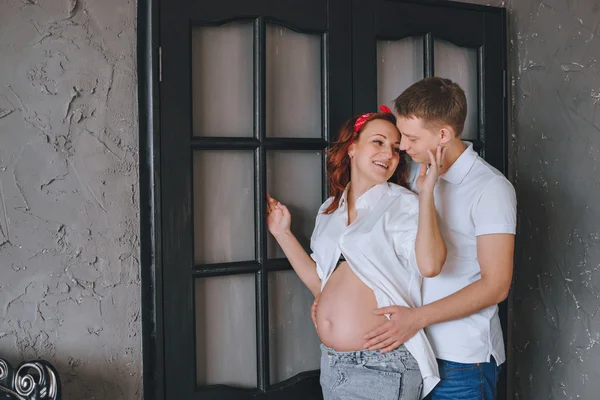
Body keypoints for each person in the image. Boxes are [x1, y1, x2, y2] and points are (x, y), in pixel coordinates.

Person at [267, 107, 446, 400]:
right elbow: (321, 284)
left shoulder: (403, 205)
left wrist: (426, 196)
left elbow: (430, 265)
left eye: (395, 148)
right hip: (333, 364)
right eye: (378, 142)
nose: (388, 154)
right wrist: (282, 234)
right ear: (352, 147)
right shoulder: (329, 210)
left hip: (381, 365)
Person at [361, 77, 517, 400]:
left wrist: (416, 319)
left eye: (410, 136)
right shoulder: (419, 180)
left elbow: (497, 285)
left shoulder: (490, 189)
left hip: (463, 363)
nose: (401, 145)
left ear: (443, 135)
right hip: (417, 357)